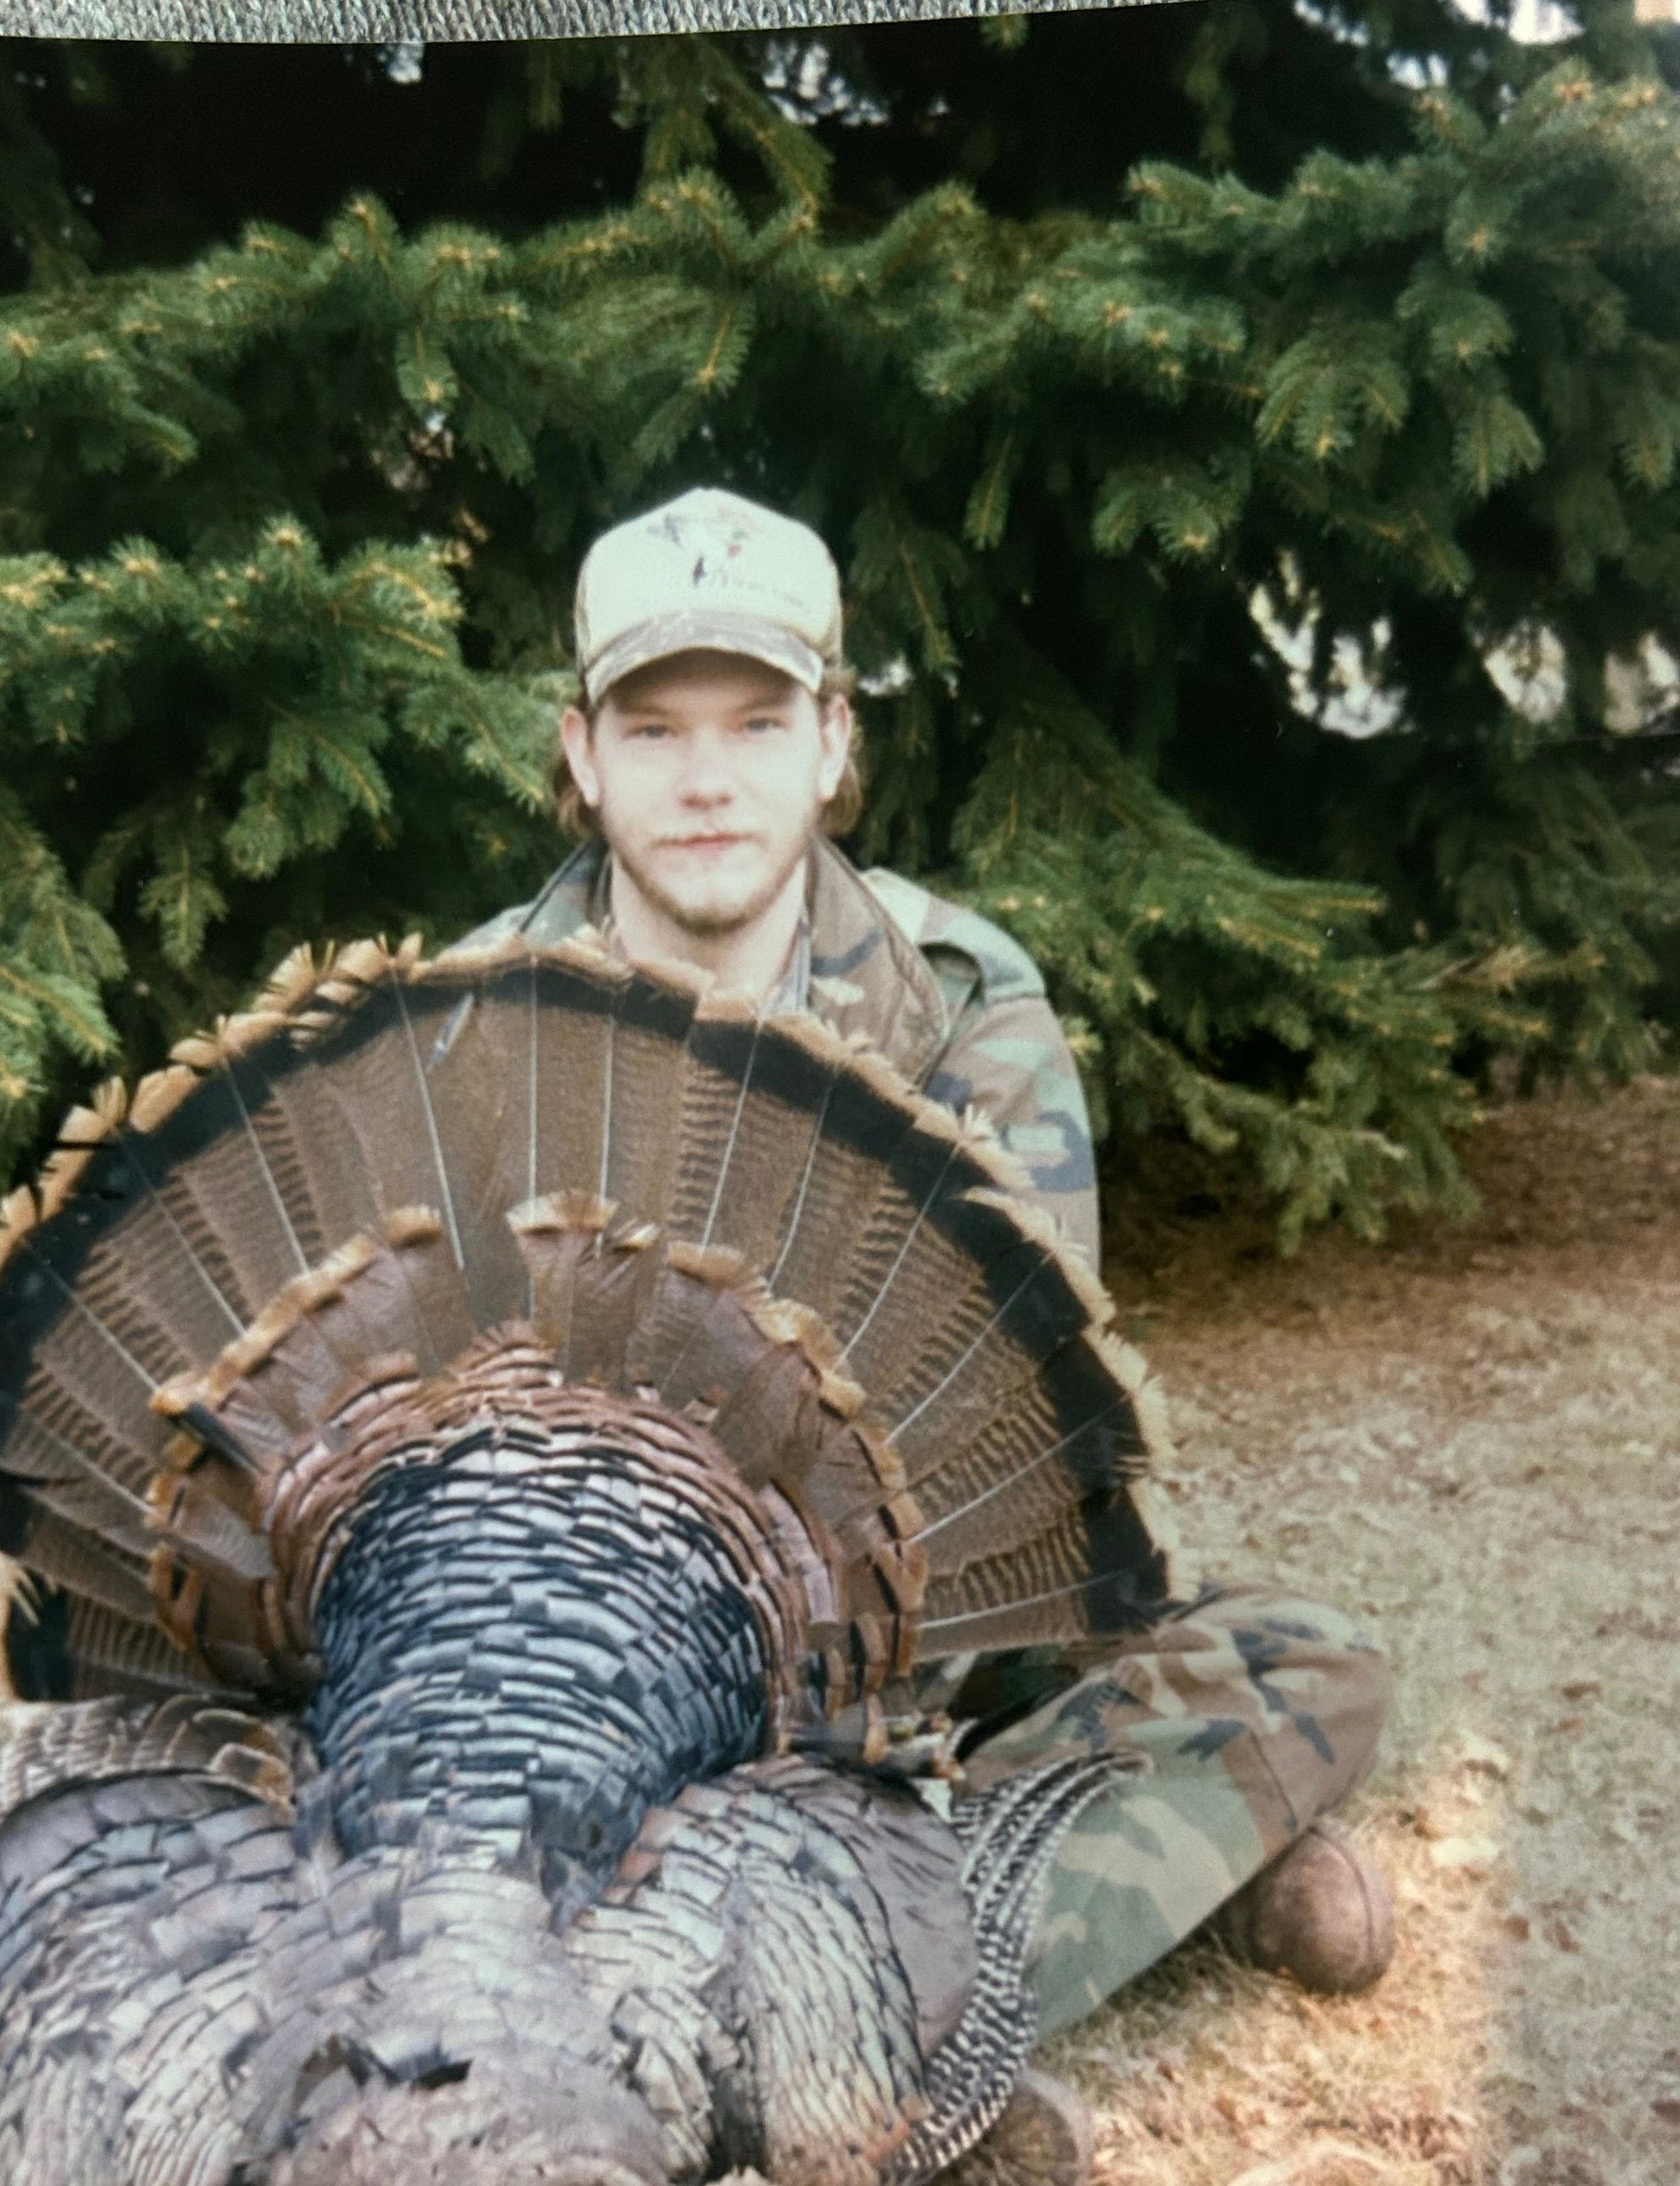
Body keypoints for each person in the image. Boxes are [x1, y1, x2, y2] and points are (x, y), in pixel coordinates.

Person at [468, 486, 1395, 2025]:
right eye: (654, 731)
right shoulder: (467, 1027)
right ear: (581, 755)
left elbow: (1010, 1465)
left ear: (834, 744)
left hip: (893, 1641)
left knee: (1309, 1663)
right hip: (570, 1658)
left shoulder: (959, 1005)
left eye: (756, 725)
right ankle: (1048, 1909)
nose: (707, 781)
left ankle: (847, 2002)